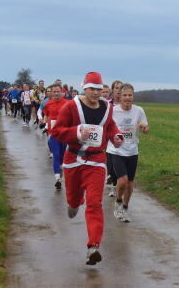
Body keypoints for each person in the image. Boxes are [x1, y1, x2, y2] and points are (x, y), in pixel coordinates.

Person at [51, 71, 123, 265]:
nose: (96, 93)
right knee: (75, 199)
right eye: (92, 89)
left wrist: (116, 136)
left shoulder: (107, 108)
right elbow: (56, 131)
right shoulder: (71, 106)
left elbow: (110, 127)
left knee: (94, 203)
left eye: (99, 89)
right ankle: (73, 204)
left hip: (97, 161)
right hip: (74, 159)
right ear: (84, 88)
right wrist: (77, 132)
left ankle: (93, 247)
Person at [107, 83, 149, 222]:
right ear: (119, 95)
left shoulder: (139, 111)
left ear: (133, 96)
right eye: (124, 95)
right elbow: (105, 128)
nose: (127, 98)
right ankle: (118, 201)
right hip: (116, 150)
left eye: (130, 95)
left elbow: (146, 128)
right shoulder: (113, 110)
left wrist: (144, 128)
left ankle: (124, 207)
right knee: (123, 181)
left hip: (132, 151)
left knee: (130, 185)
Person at [43, 85, 68, 189]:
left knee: (62, 156)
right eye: (54, 92)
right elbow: (46, 116)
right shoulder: (48, 104)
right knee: (56, 154)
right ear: (51, 93)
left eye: (58, 91)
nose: (56, 94)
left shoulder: (67, 103)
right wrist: (44, 123)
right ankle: (57, 178)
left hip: (64, 134)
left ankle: (60, 169)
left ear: (61, 92)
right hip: (53, 134)